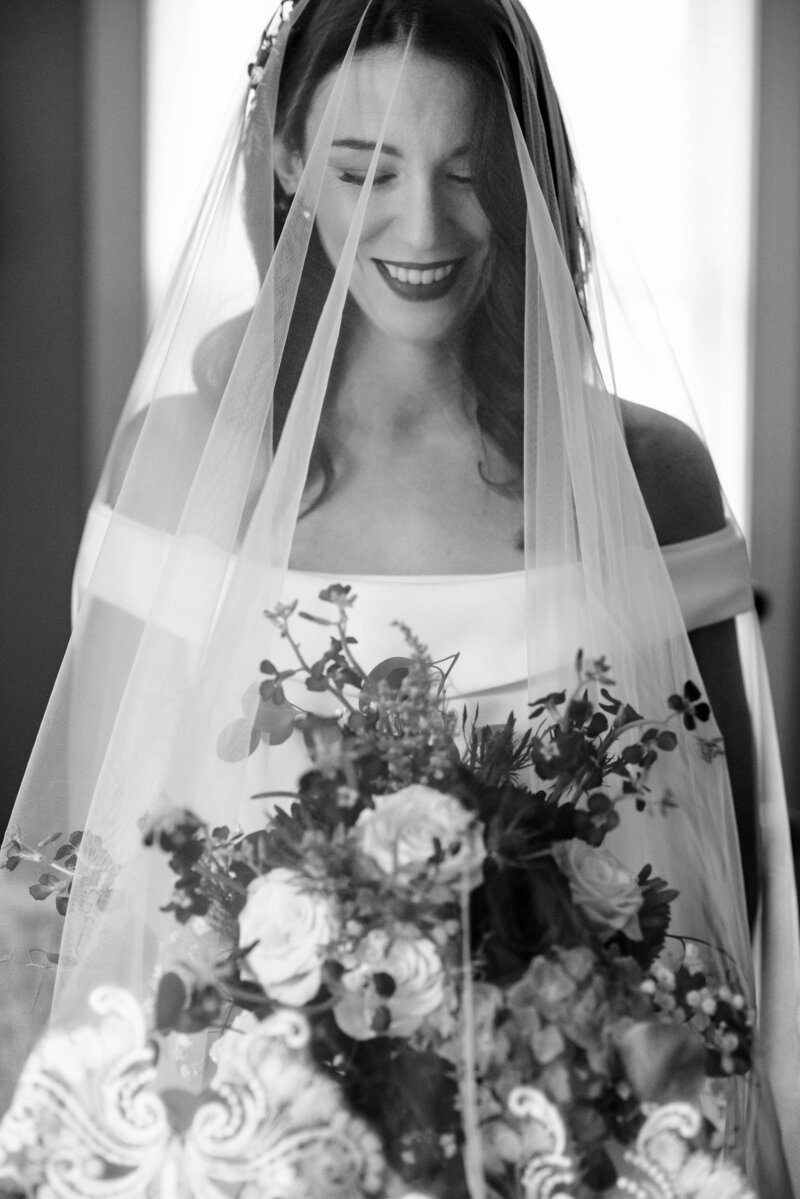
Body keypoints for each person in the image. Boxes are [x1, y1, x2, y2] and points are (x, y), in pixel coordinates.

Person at [1, 0, 798, 1193]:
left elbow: (723, 888)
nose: (421, 224)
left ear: (530, 178)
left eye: (468, 171)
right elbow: (63, 882)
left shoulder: (650, 476)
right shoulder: (180, 467)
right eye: (363, 169)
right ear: (286, 165)